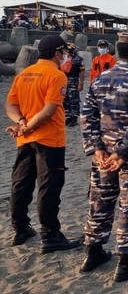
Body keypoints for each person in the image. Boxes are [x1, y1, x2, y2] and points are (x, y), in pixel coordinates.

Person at [79, 32, 128, 282]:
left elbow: (86, 117)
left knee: (99, 201)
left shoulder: (100, 79)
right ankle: (126, 262)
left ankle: (93, 252)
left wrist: (97, 149)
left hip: (103, 157)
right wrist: (121, 153)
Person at [5, 34, 80, 252]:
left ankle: (20, 228)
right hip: (49, 138)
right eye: (64, 53)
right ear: (58, 53)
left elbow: (10, 105)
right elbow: (49, 111)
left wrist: (21, 123)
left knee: (21, 183)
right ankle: (50, 235)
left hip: (25, 138)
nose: (65, 56)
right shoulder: (56, 76)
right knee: (49, 186)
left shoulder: (24, 74)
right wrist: (27, 126)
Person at [60, 41, 85, 126]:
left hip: (73, 81)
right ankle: (68, 117)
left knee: (74, 100)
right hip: (63, 82)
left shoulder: (78, 59)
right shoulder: (62, 59)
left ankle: (74, 118)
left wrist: (81, 83)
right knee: (65, 100)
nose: (65, 51)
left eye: (67, 49)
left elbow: (82, 71)